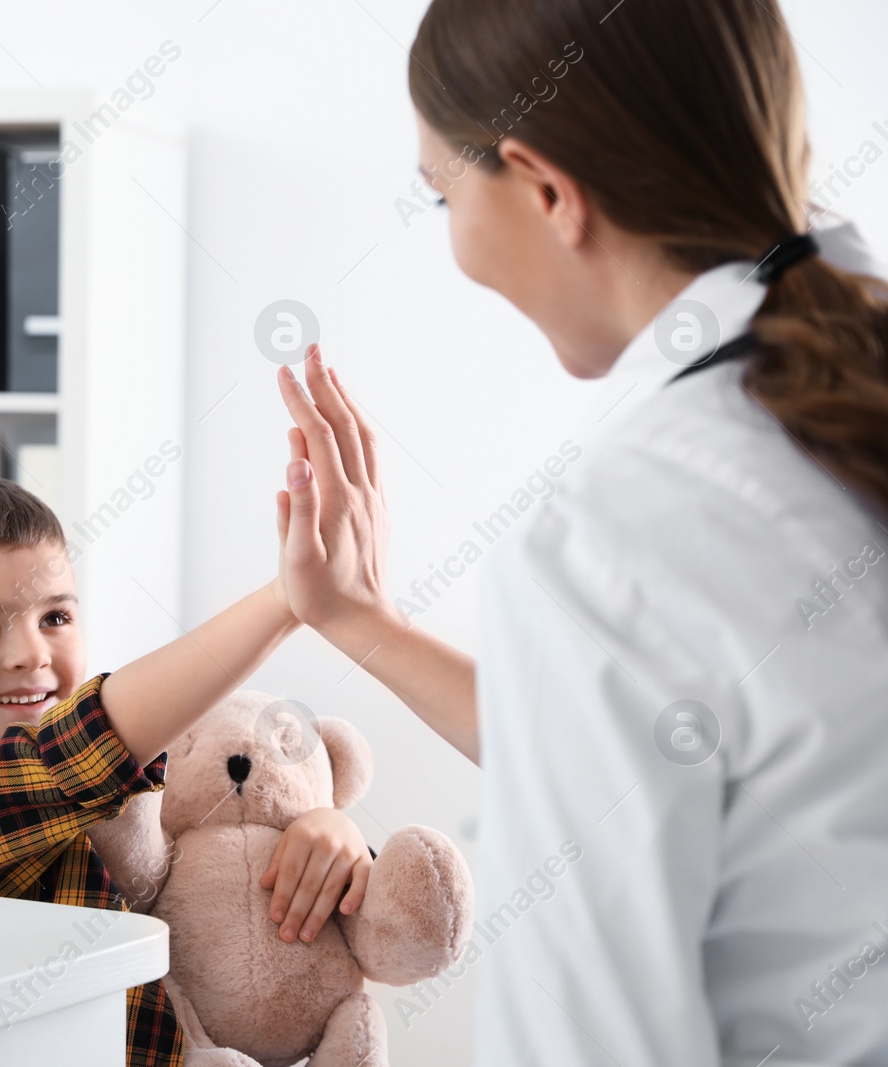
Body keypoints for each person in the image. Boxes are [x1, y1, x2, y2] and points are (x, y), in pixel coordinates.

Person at [264, 0, 888, 1063]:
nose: (454, 238)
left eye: (441, 194)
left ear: (547, 187)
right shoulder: (832, 400)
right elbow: (706, 754)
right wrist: (359, 621)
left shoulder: (619, 522)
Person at [0, 473, 374, 1067]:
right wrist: (284, 602)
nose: (33, 654)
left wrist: (326, 831)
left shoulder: (114, 791)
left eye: (55, 618)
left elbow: (208, 835)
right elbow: (69, 760)